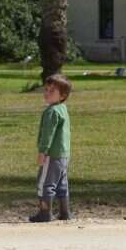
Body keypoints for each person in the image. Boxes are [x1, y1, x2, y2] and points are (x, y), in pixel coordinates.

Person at [30, 74, 72, 223]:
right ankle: (64, 212)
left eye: (52, 91)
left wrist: (43, 152)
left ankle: (44, 212)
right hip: (64, 155)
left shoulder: (52, 112)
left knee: (45, 183)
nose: (47, 93)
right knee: (62, 184)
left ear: (63, 95)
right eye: (46, 90)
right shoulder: (63, 109)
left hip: (52, 155)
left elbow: (48, 134)